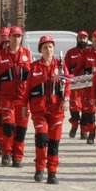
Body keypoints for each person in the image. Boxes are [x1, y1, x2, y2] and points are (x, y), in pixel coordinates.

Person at [0, 27, 32, 167]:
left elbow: (32, 78)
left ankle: (17, 157)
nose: (16, 39)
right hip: (6, 98)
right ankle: (6, 153)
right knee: (8, 127)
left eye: (19, 36)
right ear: (9, 37)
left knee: (21, 129)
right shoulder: (1, 55)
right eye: (14, 36)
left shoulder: (27, 54)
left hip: (23, 98)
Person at [26, 34, 66, 183]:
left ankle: (52, 172)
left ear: (54, 48)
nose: (48, 50)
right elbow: (27, 89)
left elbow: (67, 85)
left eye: (50, 47)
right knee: (42, 139)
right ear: (40, 50)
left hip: (57, 110)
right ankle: (39, 168)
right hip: (39, 110)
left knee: (54, 143)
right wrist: (25, 106)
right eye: (45, 47)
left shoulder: (61, 66)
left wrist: (66, 99)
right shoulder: (34, 67)